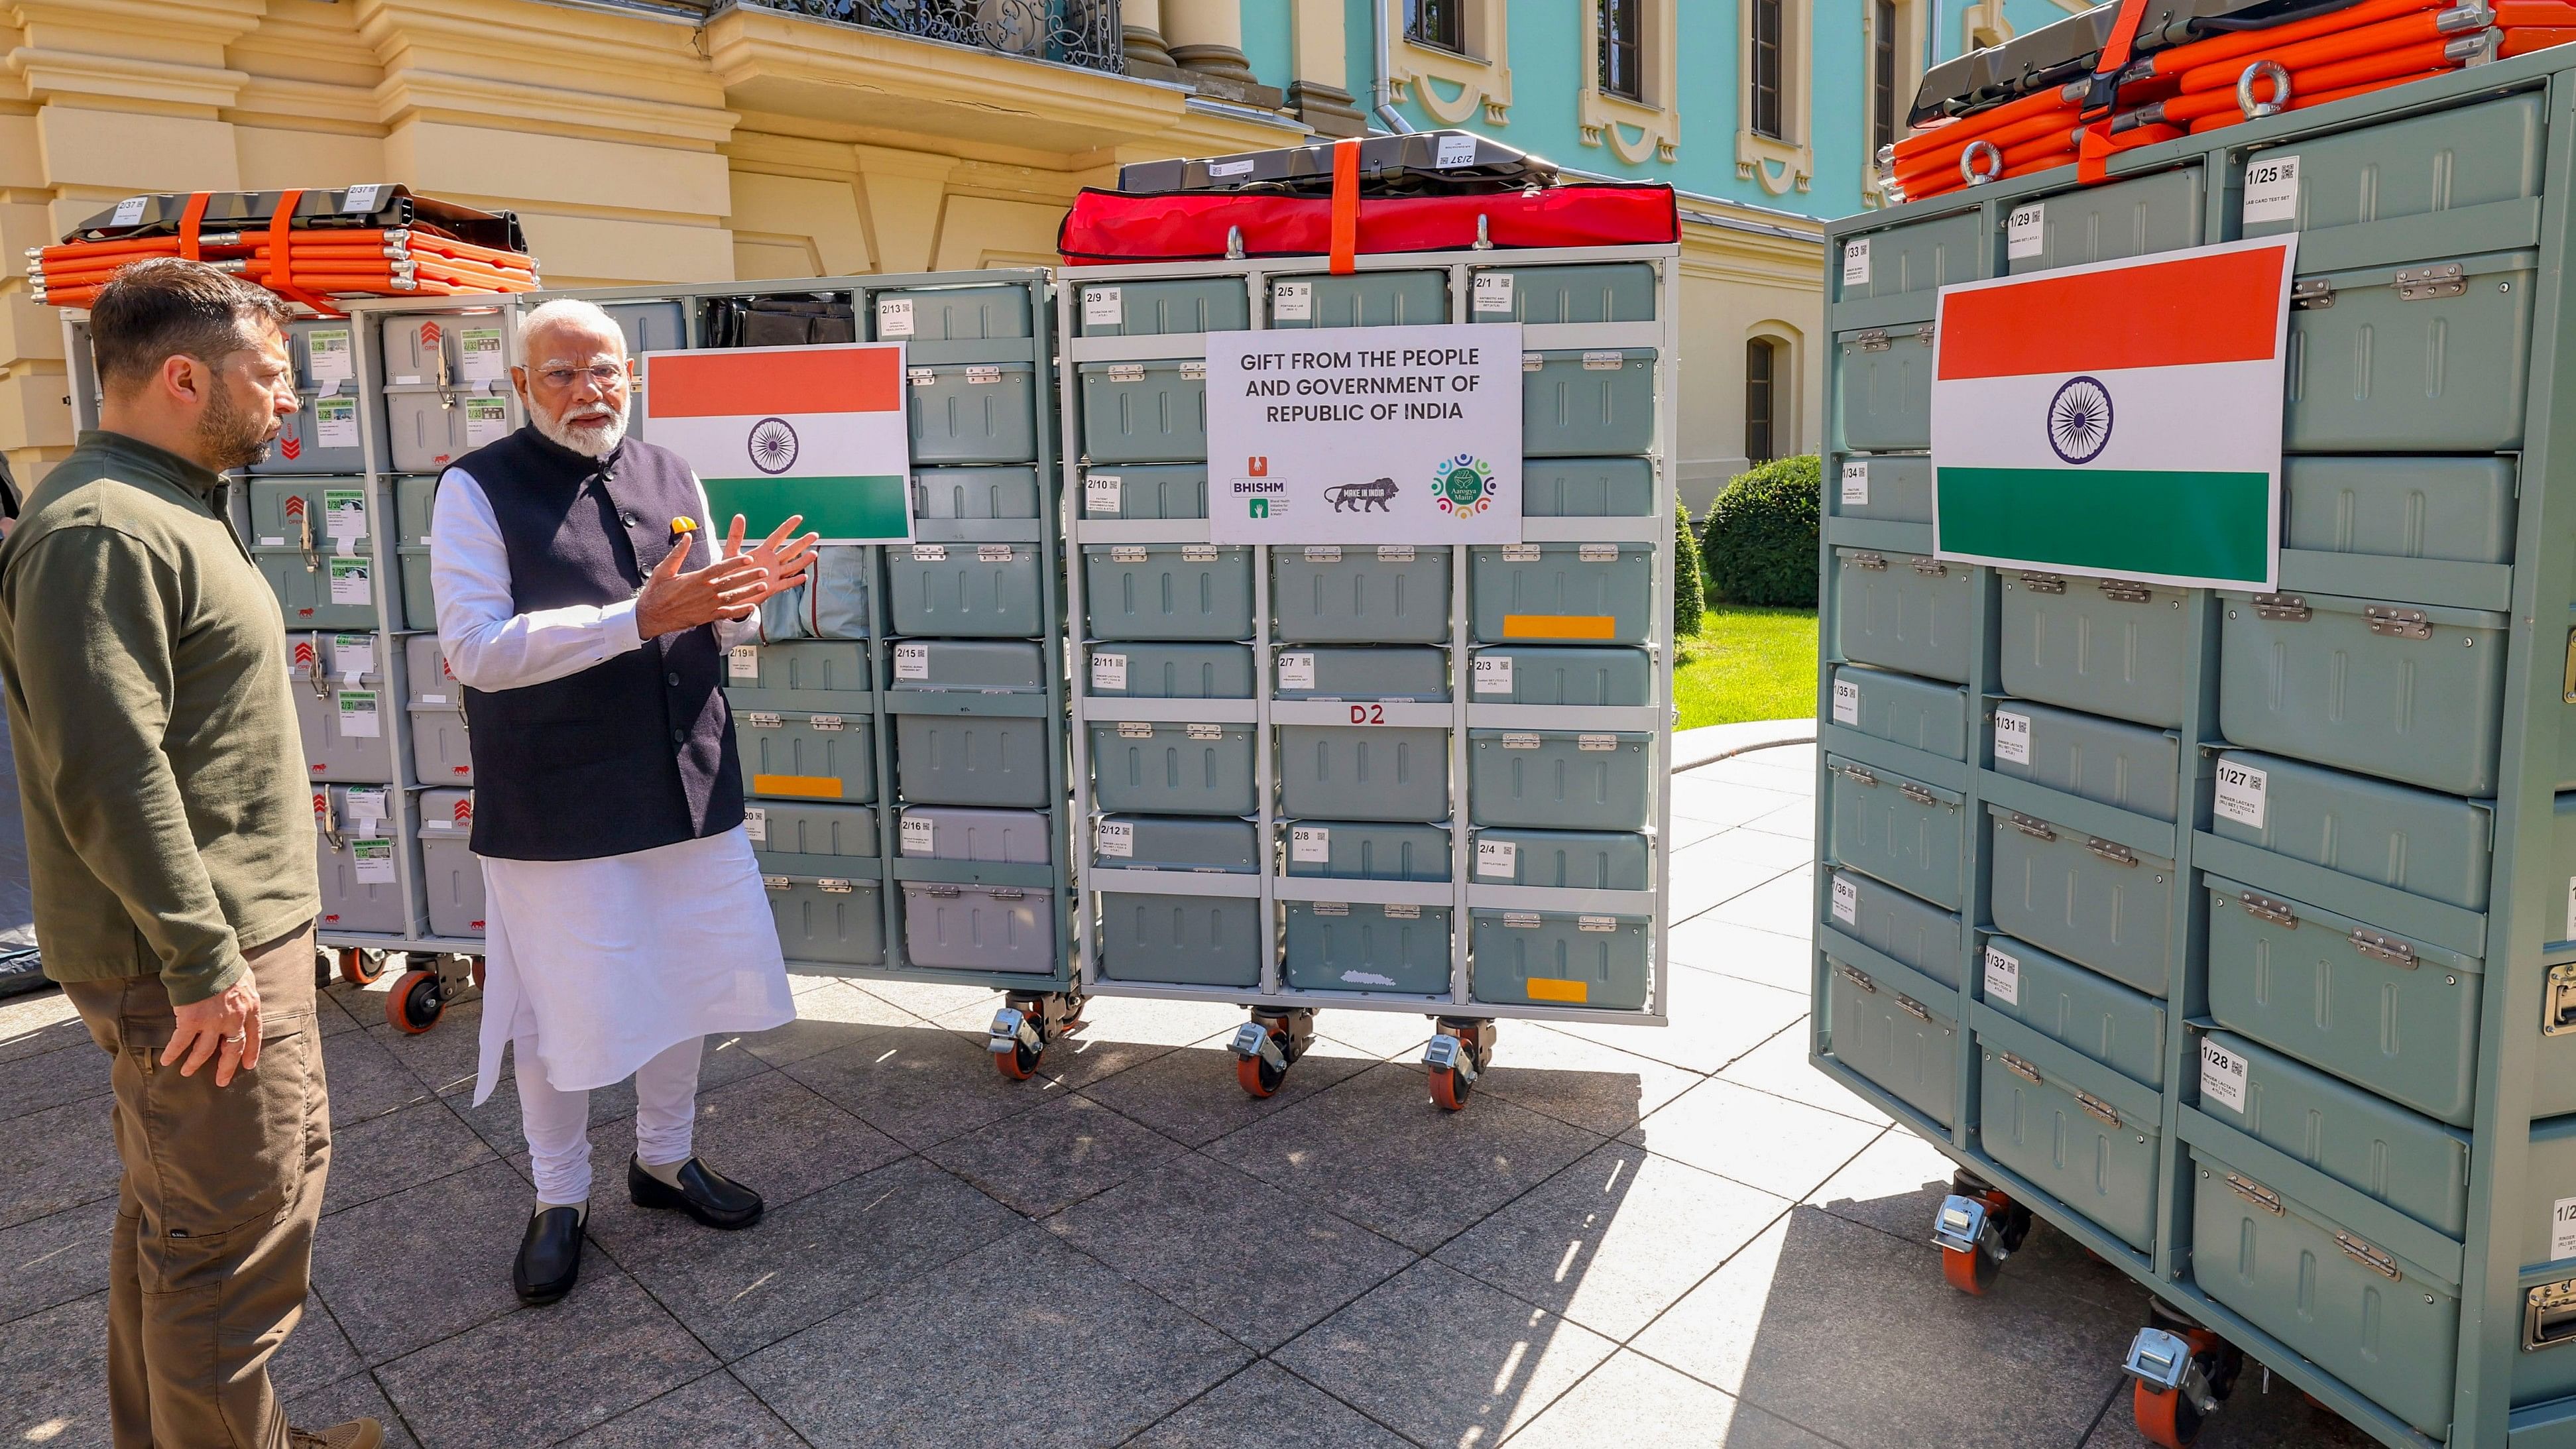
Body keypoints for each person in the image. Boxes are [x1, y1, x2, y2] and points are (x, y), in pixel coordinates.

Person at [0, 259, 380, 1448]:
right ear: (181, 376)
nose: (287, 400)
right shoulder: (104, 529)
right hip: (196, 968)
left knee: (185, 1227)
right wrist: (206, 959)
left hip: (216, 949)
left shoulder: (162, 504)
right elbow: (108, 770)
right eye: (269, 375)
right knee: (229, 1250)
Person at [432, 298, 817, 1306]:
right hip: (557, 795)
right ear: (520, 385)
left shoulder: (668, 469)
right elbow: (472, 649)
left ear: (629, 376)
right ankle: (559, 1196)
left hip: (685, 776)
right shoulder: (475, 488)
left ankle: (665, 1158)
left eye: (604, 371)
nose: (587, 391)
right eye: (560, 373)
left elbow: (702, 625)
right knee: (557, 1009)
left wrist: (738, 606)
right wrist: (634, 617)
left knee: (686, 974)